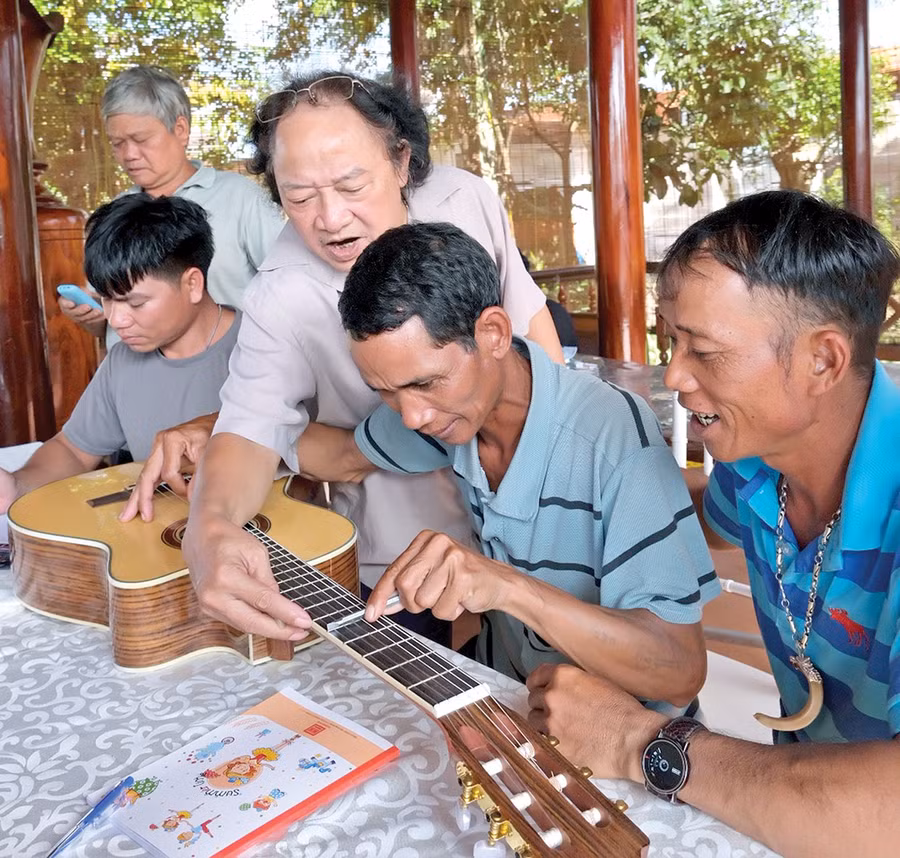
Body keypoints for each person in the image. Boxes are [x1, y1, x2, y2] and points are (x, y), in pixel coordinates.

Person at [525, 191, 900, 858]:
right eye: (671, 341)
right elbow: (696, 515)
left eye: (704, 350)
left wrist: (635, 740)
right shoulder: (756, 465)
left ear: (823, 361)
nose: (674, 375)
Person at [131, 72, 564, 647]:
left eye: (351, 185)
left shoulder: (465, 199)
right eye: (299, 197)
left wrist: (562, 470)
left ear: (401, 161)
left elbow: (533, 333)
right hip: (405, 553)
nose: (330, 218)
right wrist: (209, 527)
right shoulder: (280, 292)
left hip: (535, 522)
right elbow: (250, 429)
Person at [273, 221, 718, 704]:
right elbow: (341, 456)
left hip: (623, 729)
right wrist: (234, 429)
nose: (411, 416)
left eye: (426, 383)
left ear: (493, 334)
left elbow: (679, 670)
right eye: (384, 391)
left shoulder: (612, 437)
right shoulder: (447, 415)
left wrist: (506, 587)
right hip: (511, 694)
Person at [0, 194, 239, 515]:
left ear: (193, 284)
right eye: (107, 299)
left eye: (135, 303)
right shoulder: (123, 361)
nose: (116, 319)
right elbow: (74, 450)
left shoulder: (263, 346)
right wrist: (17, 486)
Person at [60, 65, 283, 345]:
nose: (129, 154)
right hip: (129, 371)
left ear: (180, 129)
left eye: (141, 139)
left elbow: (289, 289)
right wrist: (92, 317)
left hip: (225, 367)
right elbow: (113, 324)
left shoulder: (240, 198)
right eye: (117, 143)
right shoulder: (114, 214)